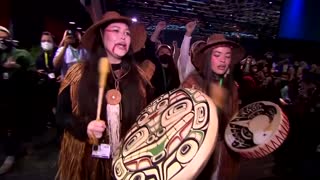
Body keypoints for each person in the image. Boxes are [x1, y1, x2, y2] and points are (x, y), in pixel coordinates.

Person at [55, 11, 152, 180]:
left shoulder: (138, 78)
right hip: (86, 160)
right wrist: (84, 127)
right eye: (116, 30)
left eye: (127, 33)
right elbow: (61, 115)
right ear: (101, 35)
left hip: (126, 160)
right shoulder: (78, 74)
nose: (123, 36)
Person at [182, 34, 245, 180]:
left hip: (224, 152)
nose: (223, 60)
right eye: (217, 55)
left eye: (227, 56)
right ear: (208, 57)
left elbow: (234, 119)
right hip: (198, 153)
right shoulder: (192, 84)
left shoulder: (232, 87)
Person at [0, 26, 35, 174]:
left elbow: (33, 74)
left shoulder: (21, 54)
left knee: (14, 126)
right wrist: (3, 67)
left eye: (3, 37)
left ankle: (12, 155)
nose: (1, 41)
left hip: (16, 98)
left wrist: (19, 68)